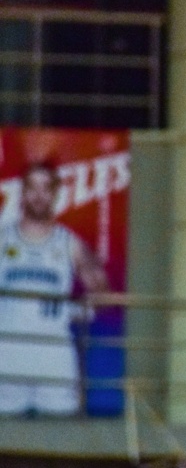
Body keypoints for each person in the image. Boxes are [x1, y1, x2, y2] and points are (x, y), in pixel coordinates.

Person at [0, 161, 109, 416]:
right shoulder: (3, 239)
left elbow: (102, 293)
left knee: (60, 431)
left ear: (56, 194)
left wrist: (78, 311)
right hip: (8, 354)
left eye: (46, 188)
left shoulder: (69, 243)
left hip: (54, 356)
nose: (39, 195)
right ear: (22, 192)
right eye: (32, 188)